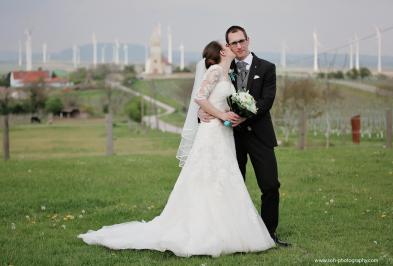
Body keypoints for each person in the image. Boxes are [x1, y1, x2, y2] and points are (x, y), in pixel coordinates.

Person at [78, 41, 276, 257]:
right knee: (205, 177)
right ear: (222, 51)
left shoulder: (228, 74)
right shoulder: (216, 70)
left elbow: (218, 101)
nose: (233, 47)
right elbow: (199, 98)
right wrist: (217, 115)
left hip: (224, 133)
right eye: (228, 45)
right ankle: (204, 230)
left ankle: (229, 229)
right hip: (211, 133)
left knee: (224, 177)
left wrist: (235, 111)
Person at [199, 26, 289, 246]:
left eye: (242, 41)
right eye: (233, 43)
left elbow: (267, 101)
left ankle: (268, 235)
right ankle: (230, 234)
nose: (239, 46)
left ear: (248, 40)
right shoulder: (224, 68)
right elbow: (206, 96)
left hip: (260, 135)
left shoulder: (267, 67)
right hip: (230, 136)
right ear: (227, 46)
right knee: (230, 186)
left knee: (270, 185)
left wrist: (245, 117)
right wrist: (202, 113)